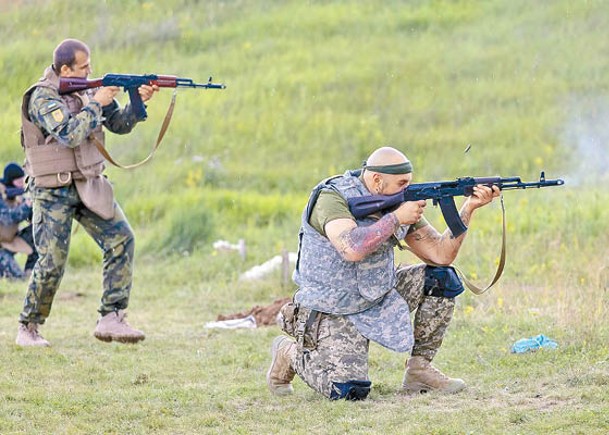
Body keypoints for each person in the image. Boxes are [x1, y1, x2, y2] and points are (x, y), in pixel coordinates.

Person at [267, 146, 500, 400]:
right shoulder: (332, 197)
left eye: (409, 183)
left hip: (378, 293)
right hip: (332, 307)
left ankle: (419, 371)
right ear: (377, 181)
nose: (407, 190)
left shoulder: (397, 202)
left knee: (441, 278)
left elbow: (440, 254)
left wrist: (469, 208)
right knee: (348, 392)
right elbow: (351, 248)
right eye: (401, 184)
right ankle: (289, 352)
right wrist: (397, 218)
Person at [15, 38, 159, 347]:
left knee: (122, 239)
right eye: (84, 67)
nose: (90, 72)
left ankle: (112, 318)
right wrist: (98, 103)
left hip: (87, 182)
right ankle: (28, 327)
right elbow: (68, 133)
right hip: (51, 190)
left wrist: (138, 102)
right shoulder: (42, 97)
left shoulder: (88, 90)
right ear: (65, 69)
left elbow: (119, 125)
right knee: (52, 260)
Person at [0, 162, 38, 279]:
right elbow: (8, 218)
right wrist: (26, 205)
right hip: (2, 245)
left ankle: (31, 272)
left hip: (10, 239)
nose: (22, 184)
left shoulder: (18, 194)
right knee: (17, 279)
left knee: (38, 233)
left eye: (23, 180)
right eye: (18, 181)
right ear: (10, 181)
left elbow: (29, 217)